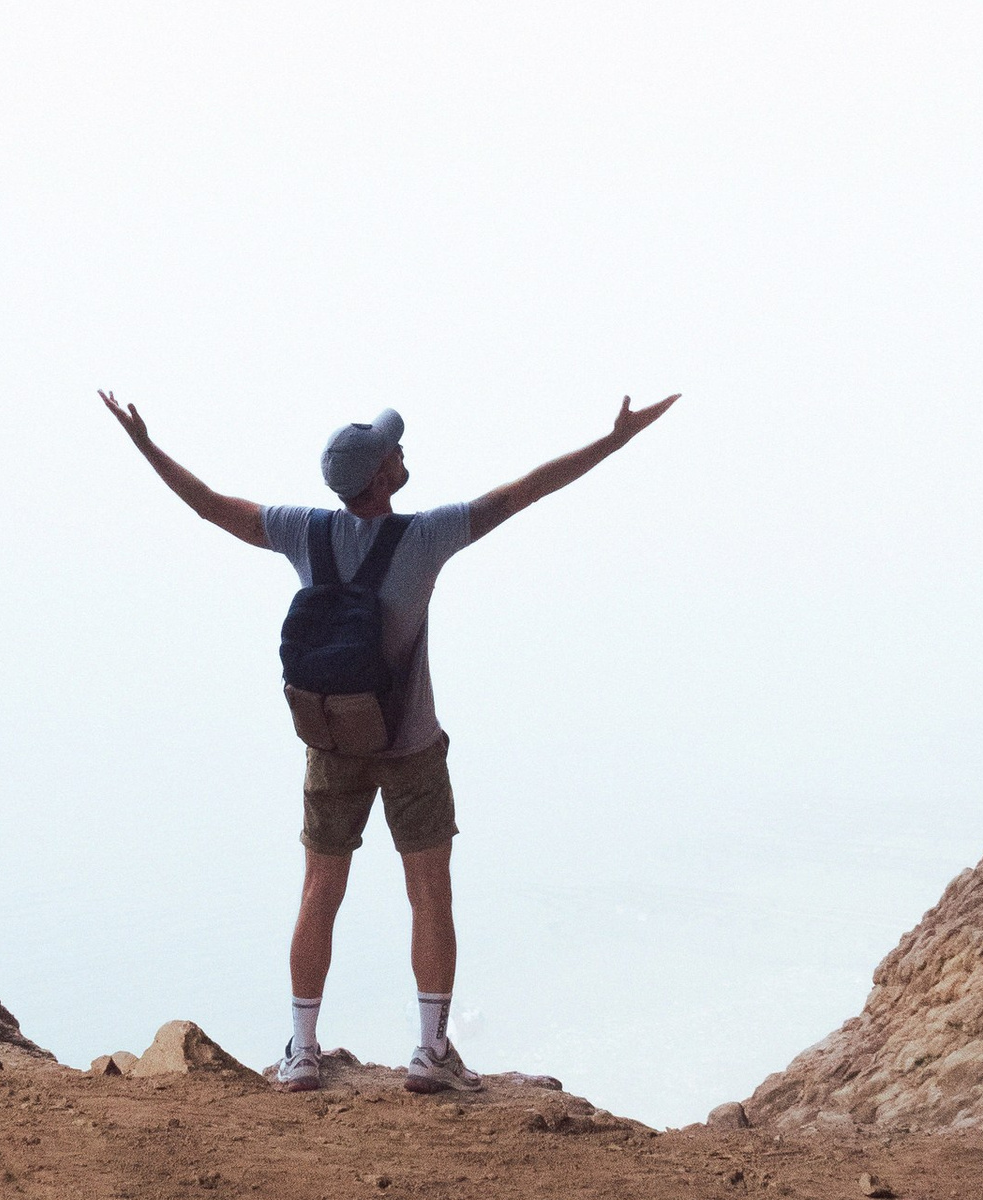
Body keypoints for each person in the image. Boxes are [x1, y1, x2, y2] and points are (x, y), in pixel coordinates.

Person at [98, 389, 678, 1094]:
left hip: (331, 743)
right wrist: (613, 440)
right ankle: (430, 1053)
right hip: (410, 747)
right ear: (379, 477)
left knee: (320, 889)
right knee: (429, 892)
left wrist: (145, 444)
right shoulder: (427, 537)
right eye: (392, 451)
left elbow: (210, 505)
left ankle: (303, 1051)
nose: (402, 453)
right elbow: (527, 490)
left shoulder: (301, 531)